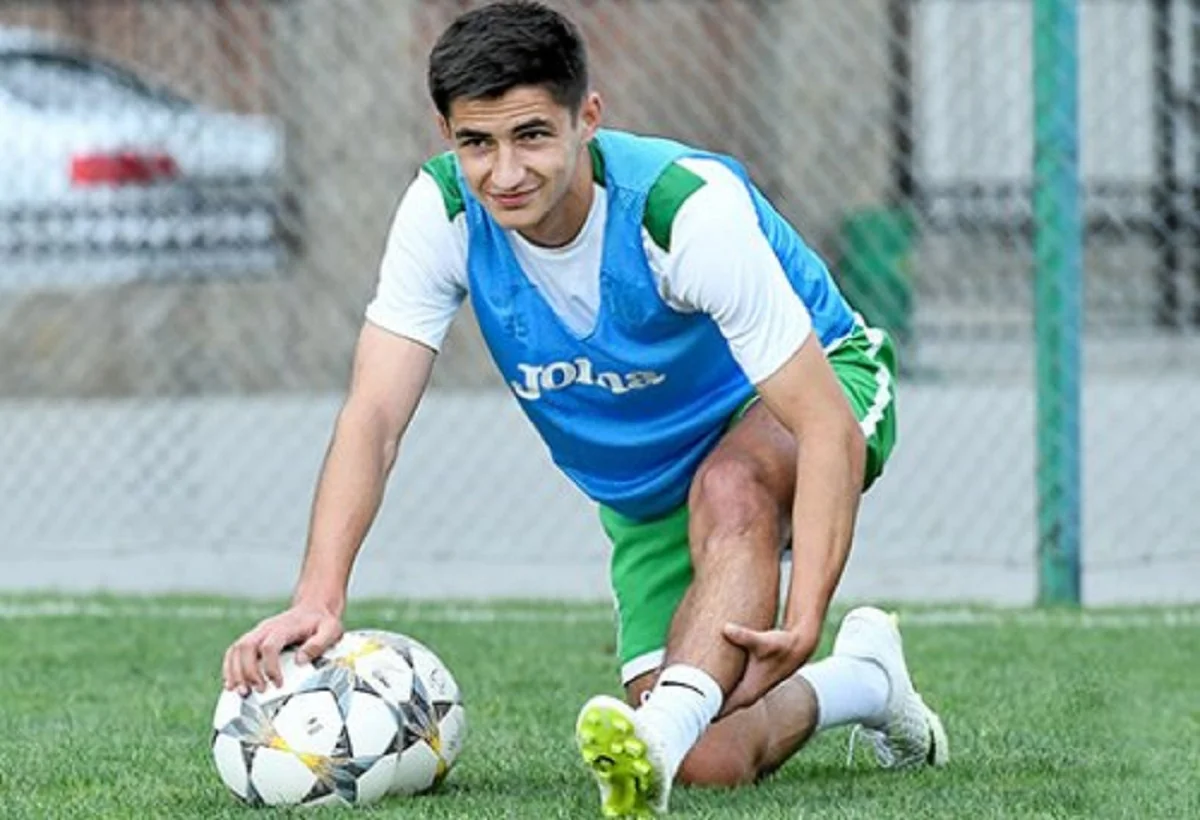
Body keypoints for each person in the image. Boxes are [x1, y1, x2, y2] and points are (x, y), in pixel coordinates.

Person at [221, 1, 948, 815]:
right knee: (715, 758)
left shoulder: (684, 213)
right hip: (651, 488)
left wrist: (807, 608)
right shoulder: (444, 214)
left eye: (531, 135)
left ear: (587, 119)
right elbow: (374, 418)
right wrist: (318, 597)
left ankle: (655, 744)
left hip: (823, 389)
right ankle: (866, 680)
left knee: (733, 488)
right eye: (477, 142)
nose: (505, 171)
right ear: (446, 134)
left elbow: (822, 425)